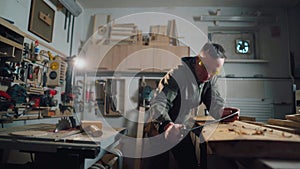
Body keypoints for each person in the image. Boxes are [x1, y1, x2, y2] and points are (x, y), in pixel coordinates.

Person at [149, 42, 240, 169]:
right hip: (161, 126)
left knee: (190, 165)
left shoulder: (210, 78)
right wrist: (167, 125)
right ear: (198, 60)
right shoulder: (177, 75)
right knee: (159, 165)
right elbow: (159, 103)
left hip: (181, 127)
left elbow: (214, 102)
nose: (208, 75)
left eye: (215, 70)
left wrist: (221, 112)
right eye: (205, 68)